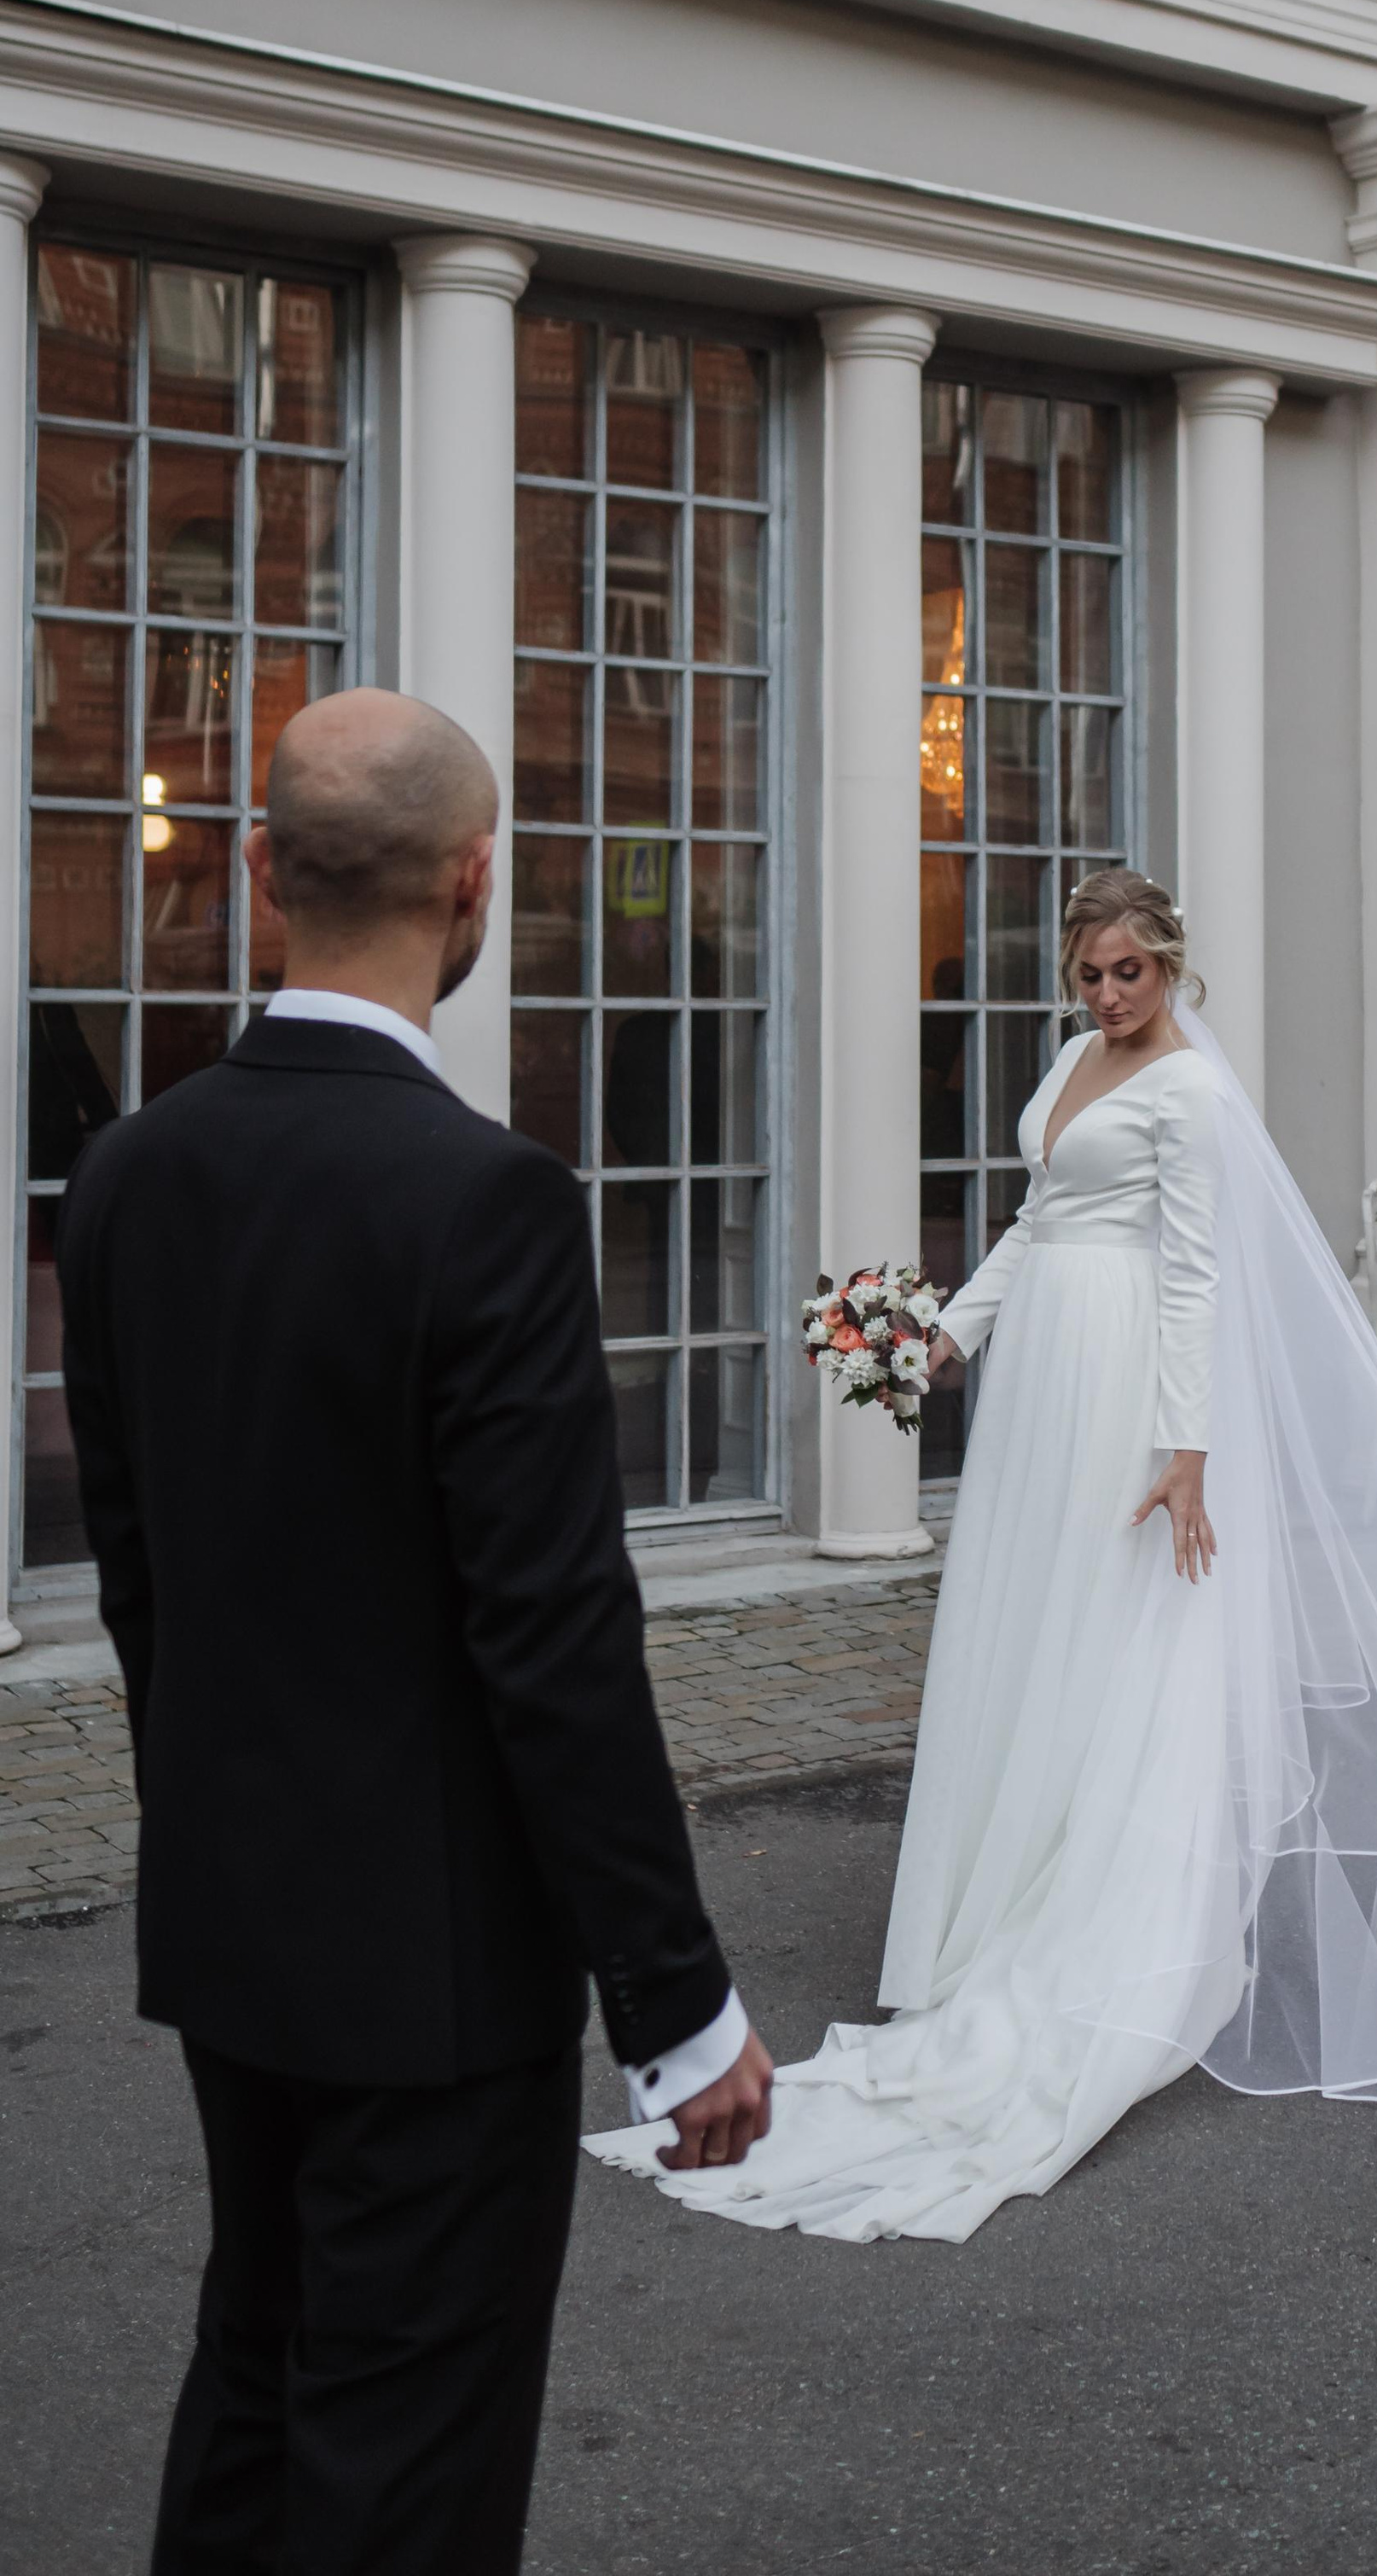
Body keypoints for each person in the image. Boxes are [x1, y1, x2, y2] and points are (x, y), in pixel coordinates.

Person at [590, 869, 1377, 2247]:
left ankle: (1105, 1929)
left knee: (1124, 1644)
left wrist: (1187, 1452)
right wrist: (944, 1342)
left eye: (1129, 975)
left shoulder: (1196, 1096)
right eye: (1090, 976)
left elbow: (1197, 1277)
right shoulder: (1076, 1064)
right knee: (1032, 1639)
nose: (1106, 996)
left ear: (1172, 969)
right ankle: (999, 1903)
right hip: (1045, 1383)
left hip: (1127, 1399)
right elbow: (1038, 1226)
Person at [60, 689, 772, 2575]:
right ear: (474, 886)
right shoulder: (489, 1202)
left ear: (268, 874)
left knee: (260, 2370)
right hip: (436, 1967)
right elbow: (551, 1637)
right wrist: (677, 2003)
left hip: (232, 1917)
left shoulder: (127, 1175)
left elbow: (140, 1578)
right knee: (405, 2459)